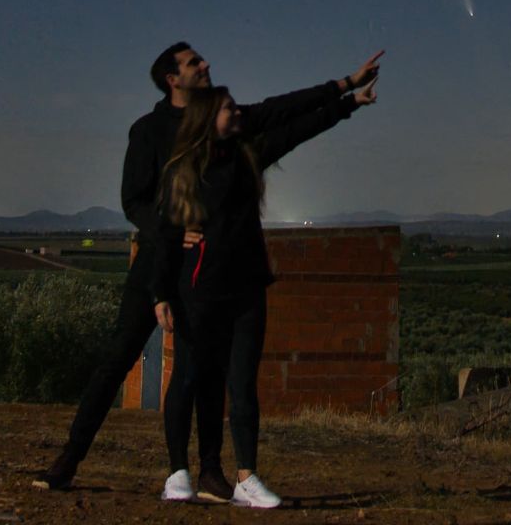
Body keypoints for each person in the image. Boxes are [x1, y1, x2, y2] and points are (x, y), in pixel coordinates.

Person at [35, 43, 382, 492]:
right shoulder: (149, 131)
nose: (206, 65)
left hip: (207, 268)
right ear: (171, 79)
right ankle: (71, 456)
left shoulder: (223, 120)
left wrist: (346, 87)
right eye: (194, 63)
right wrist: (170, 234)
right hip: (161, 260)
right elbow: (133, 201)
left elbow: (285, 114)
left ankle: (210, 470)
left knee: (206, 369)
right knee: (119, 356)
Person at [151, 80, 376, 507]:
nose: (238, 114)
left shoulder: (247, 156)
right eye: (229, 110)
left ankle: (246, 477)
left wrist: (349, 104)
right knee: (187, 378)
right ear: (206, 118)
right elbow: (163, 236)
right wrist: (160, 293)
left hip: (247, 290)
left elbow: (298, 129)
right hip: (197, 292)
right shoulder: (183, 170)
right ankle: (177, 471)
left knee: (242, 385)